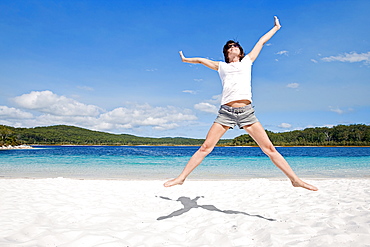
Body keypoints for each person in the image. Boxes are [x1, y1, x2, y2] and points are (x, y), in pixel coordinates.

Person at [164, 16, 318, 191]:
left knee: (269, 149)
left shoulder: (247, 62)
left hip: (247, 112)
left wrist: (276, 28)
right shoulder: (221, 66)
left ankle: (295, 180)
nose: (233, 47)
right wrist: (185, 60)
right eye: (230, 47)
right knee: (206, 147)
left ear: (240, 51)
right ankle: (182, 178)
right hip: (226, 112)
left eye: (235, 46)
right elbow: (200, 60)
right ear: (227, 53)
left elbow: (261, 42)